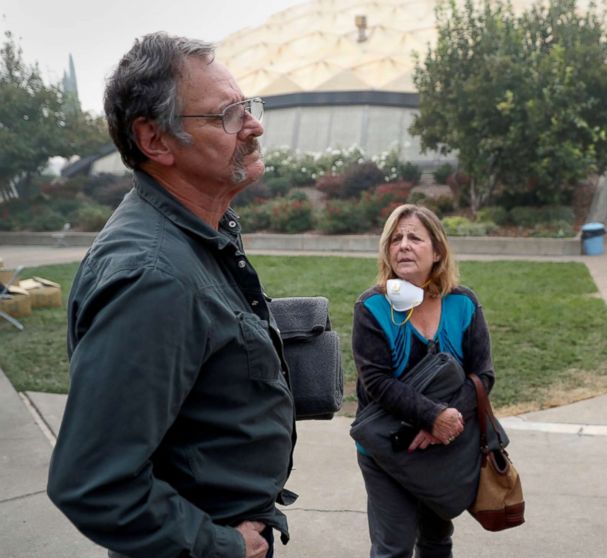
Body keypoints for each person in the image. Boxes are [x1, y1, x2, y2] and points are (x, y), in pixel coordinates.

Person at [47, 33, 295, 558]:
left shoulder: (196, 232)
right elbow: (95, 484)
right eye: (228, 114)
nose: (253, 126)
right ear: (155, 141)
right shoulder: (153, 277)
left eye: (247, 106)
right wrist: (224, 545)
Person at [352, 204, 495, 558]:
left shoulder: (464, 304)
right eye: (395, 239)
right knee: (393, 547)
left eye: (414, 237)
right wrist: (433, 417)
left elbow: (482, 375)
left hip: (445, 447)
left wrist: (444, 423)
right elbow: (377, 382)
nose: (403, 245)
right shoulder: (372, 307)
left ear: (437, 251)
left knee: (435, 542)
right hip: (386, 450)